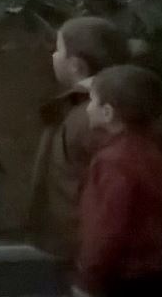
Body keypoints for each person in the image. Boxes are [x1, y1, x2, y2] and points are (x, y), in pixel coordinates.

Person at [77, 64, 162, 297]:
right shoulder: (154, 152)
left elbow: (109, 228)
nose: (87, 108)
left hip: (123, 274)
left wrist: (90, 275)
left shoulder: (113, 161)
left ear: (108, 112)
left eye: (92, 101)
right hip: (155, 270)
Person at [31, 16, 128, 265]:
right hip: (88, 240)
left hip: (95, 246)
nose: (53, 55)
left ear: (76, 65)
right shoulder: (85, 109)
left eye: (58, 49)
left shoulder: (92, 117)